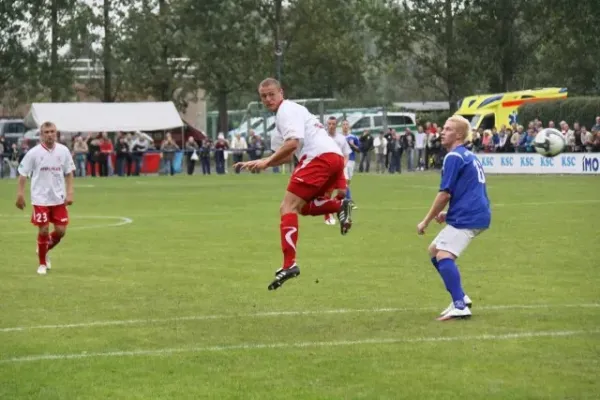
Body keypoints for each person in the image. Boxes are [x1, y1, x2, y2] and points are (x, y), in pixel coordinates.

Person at [233, 78, 353, 291]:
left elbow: (293, 144)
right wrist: (263, 162)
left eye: (272, 94)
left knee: (286, 207)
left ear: (281, 92)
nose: (268, 99)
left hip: (319, 158)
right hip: (331, 158)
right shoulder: (285, 116)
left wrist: (266, 162)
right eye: (263, 96)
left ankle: (289, 265)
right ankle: (338, 206)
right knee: (303, 207)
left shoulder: (285, 111)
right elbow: (286, 155)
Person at [416, 115, 491, 321]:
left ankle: (459, 305)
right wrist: (449, 213)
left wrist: (426, 220)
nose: (442, 132)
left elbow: (445, 194)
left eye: (448, 129)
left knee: (443, 256)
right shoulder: (468, 156)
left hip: (469, 216)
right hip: (475, 213)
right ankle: (461, 298)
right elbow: (470, 190)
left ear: (458, 134)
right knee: (434, 250)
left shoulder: (454, 157)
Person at [16, 121, 75, 275]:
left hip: (58, 198)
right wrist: (20, 194)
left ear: (56, 133)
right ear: (41, 134)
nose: (50, 134)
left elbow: (69, 173)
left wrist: (70, 192)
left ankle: (43, 248)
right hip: (40, 198)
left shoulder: (63, 151)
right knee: (43, 231)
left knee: (61, 231)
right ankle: (42, 263)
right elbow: (23, 175)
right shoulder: (33, 153)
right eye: (46, 132)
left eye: (52, 131)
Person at [323, 115, 351, 225]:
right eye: (329, 124)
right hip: (327, 170)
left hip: (339, 170)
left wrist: (342, 165)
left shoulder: (341, 138)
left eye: (333, 124)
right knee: (327, 193)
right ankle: (327, 216)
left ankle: (330, 208)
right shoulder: (323, 137)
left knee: (343, 192)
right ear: (326, 125)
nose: (331, 126)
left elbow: (346, 154)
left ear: (336, 125)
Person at [342, 119, 360, 208]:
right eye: (344, 124)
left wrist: (352, 145)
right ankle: (349, 200)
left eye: (346, 124)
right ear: (342, 126)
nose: (345, 126)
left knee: (347, 182)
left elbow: (359, 150)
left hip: (351, 161)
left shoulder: (354, 137)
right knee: (345, 180)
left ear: (349, 126)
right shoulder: (339, 137)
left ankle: (342, 199)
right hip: (342, 161)